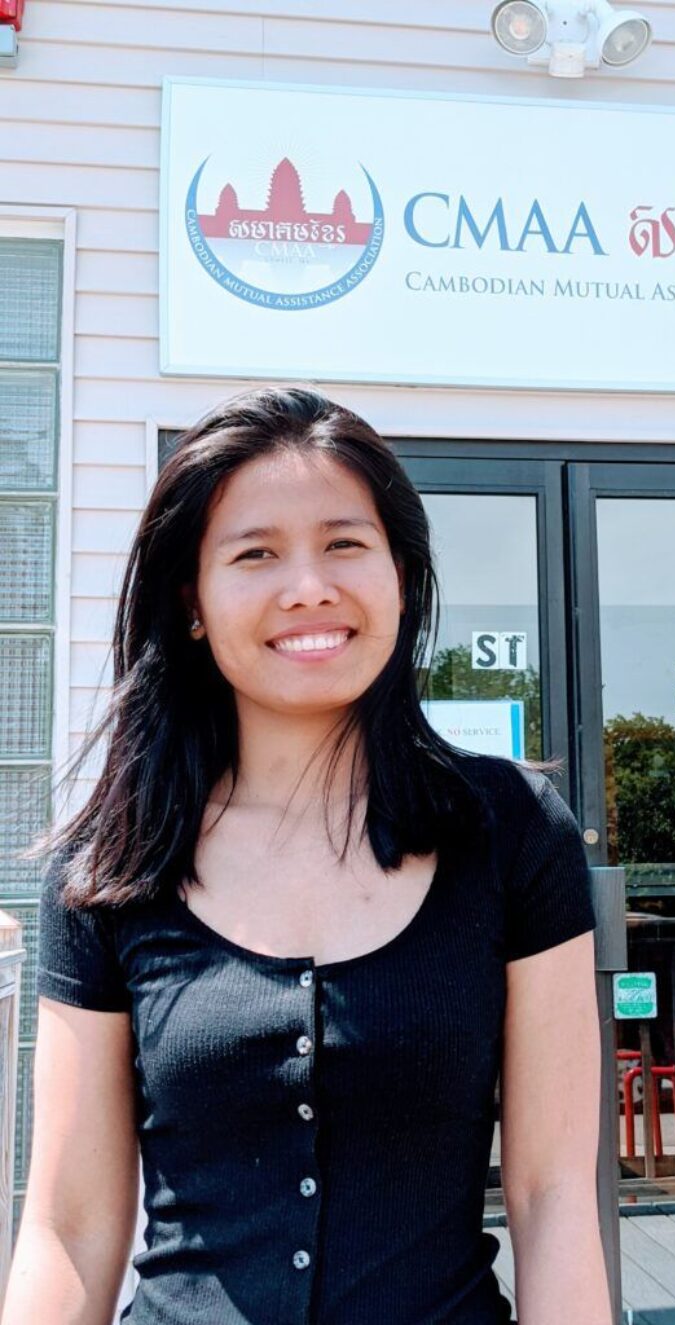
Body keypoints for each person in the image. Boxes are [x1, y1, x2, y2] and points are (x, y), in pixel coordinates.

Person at [1, 386, 611, 1325]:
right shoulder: (109, 867)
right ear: (193, 601)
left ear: (401, 577)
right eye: (254, 554)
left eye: (344, 543)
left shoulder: (512, 830)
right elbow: (69, 1228)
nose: (308, 587)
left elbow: (554, 1197)